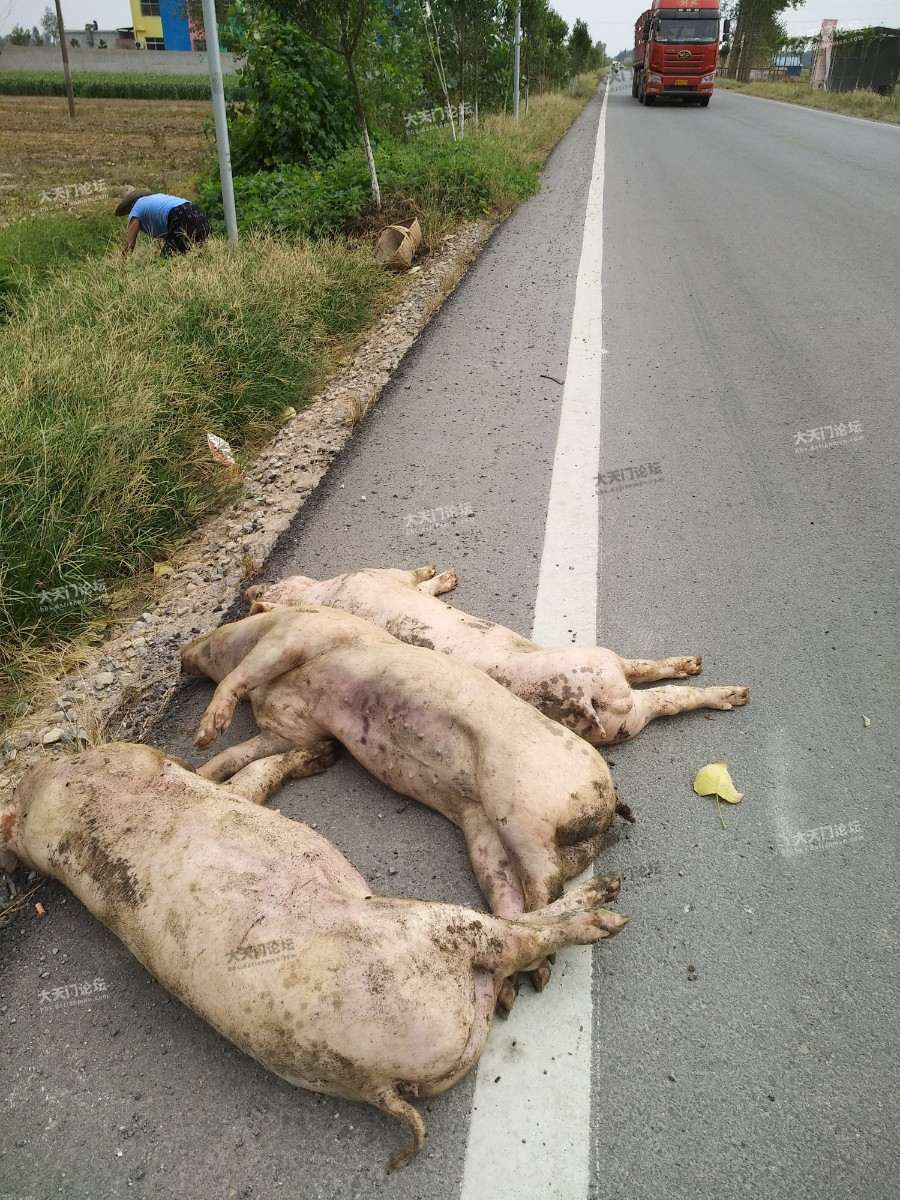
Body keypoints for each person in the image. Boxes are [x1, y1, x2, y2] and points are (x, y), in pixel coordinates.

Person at [116, 187, 211, 258]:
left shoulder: (135, 210)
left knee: (166, 262)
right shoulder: (154, 199)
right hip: (198, 213)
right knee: (195, 257)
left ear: (127, 207)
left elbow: (130, 244)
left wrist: (122, 262)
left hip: (181, 217)